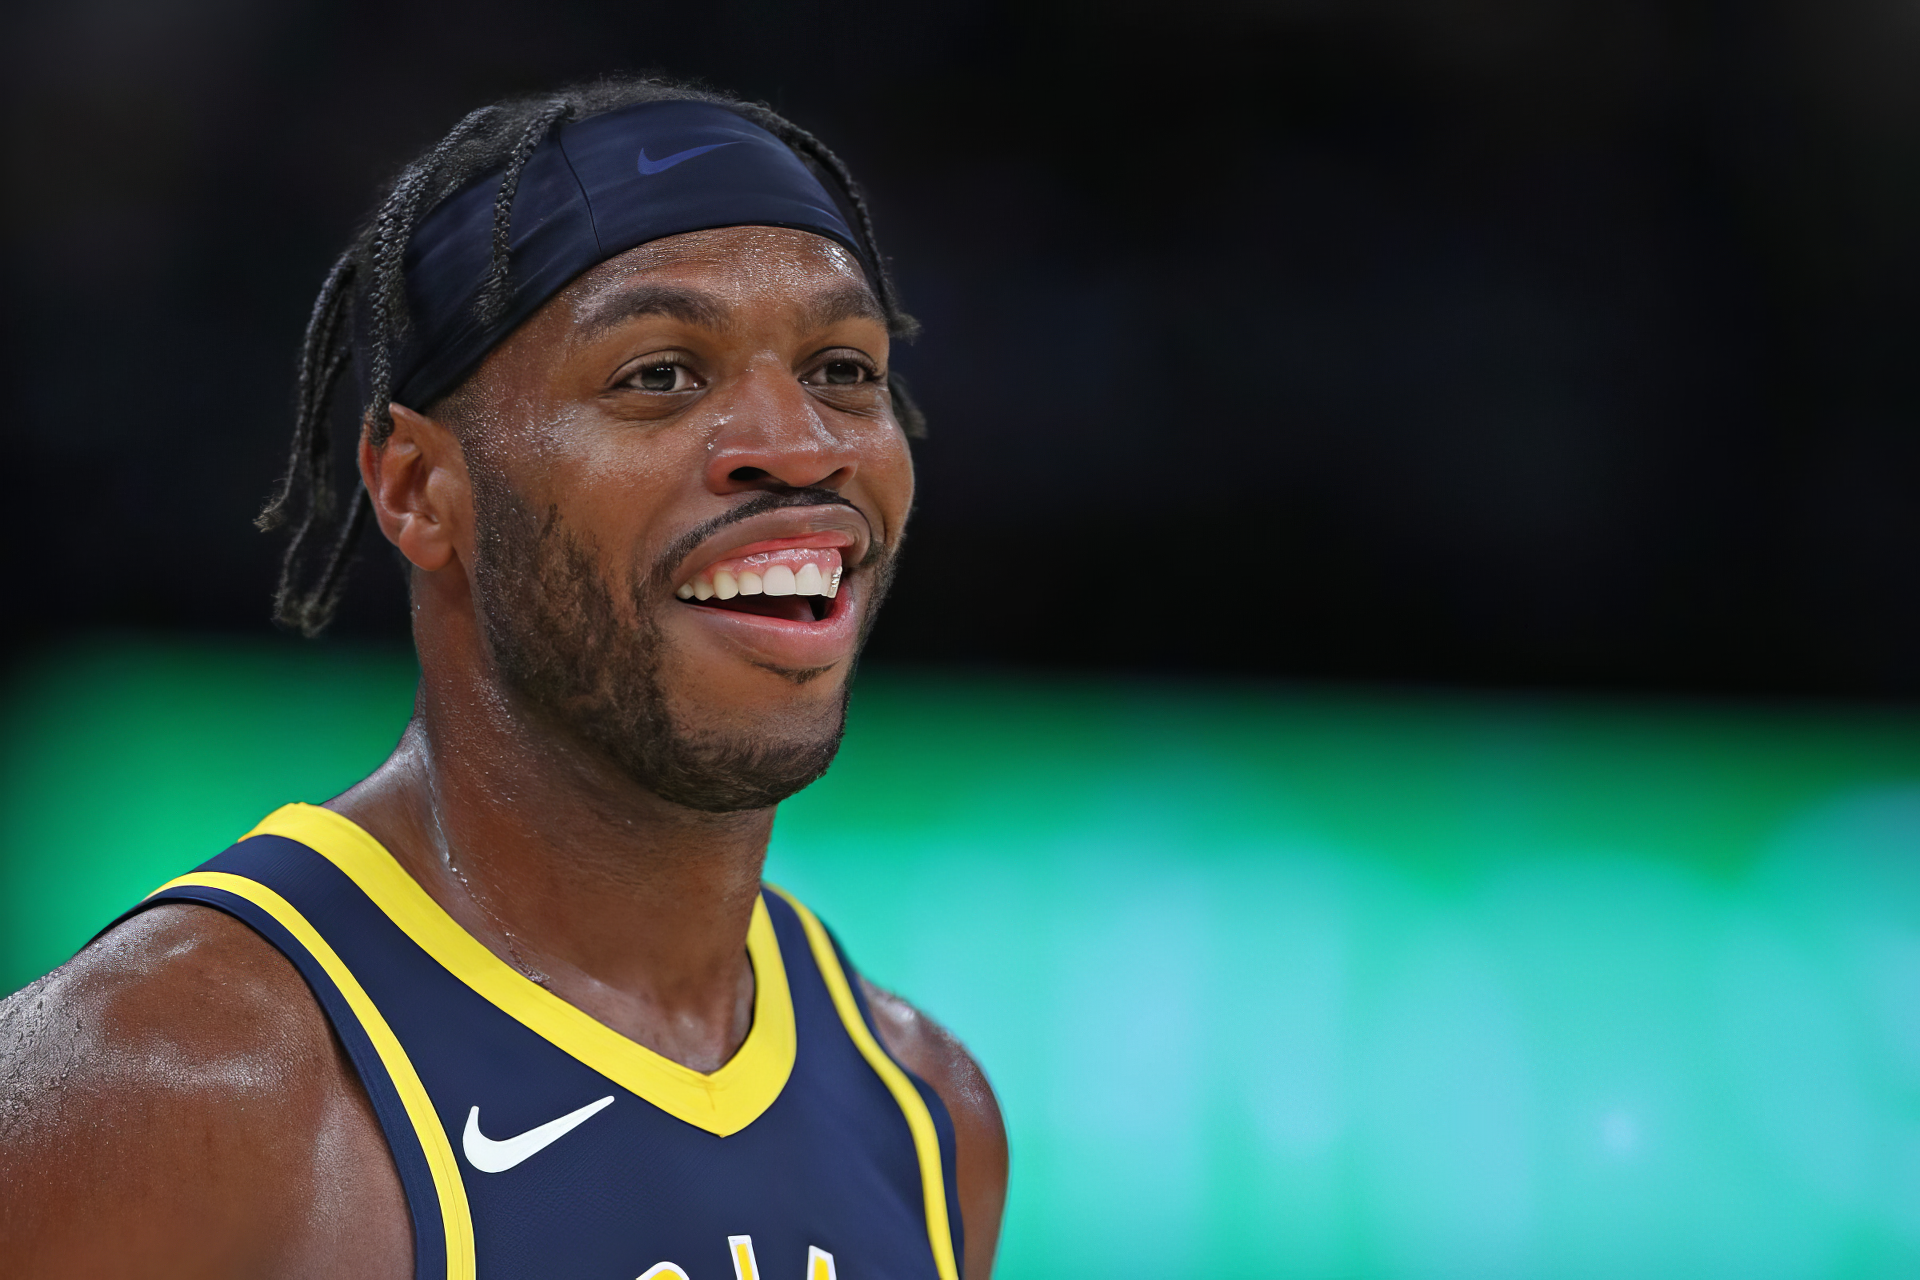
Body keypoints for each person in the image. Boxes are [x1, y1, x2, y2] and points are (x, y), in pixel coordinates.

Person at [0, 76, 1007, 1280]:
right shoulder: (165, 1087)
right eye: (659, 375)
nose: (797, 445)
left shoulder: (926, 1111)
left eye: (844, 367)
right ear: (419, 488)